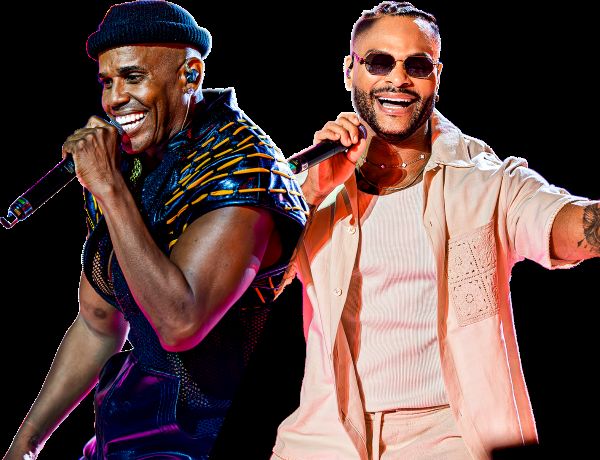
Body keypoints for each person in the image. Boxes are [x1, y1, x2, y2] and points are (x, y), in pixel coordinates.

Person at [272, 2, 599, 460]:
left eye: (417, 65)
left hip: (448, 437)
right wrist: (308, 194)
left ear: (437, 77)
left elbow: (564, 222)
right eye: (379, 62)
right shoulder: (311, 180)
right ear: (349, 71)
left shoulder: (484, 181)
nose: (398, 79)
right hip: (325, 437)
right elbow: (253, 288)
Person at [3, 1, 308, 459]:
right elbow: (99, 322)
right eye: (107, 82)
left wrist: (109, 188)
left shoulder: (243, 170)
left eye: (133, 77)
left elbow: (179, 324)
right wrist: (26, 445)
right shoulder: (131, 162)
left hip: (207, 436)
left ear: (190, 76)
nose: (113, 100)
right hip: (128, 427)